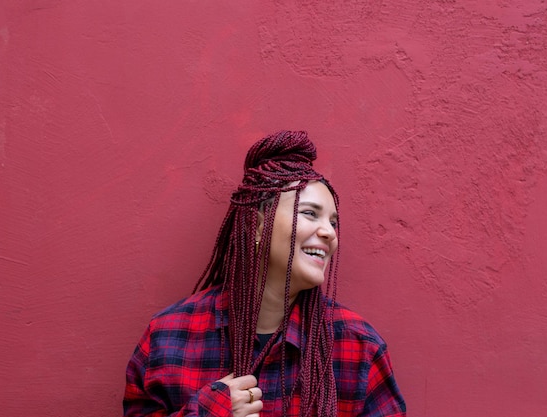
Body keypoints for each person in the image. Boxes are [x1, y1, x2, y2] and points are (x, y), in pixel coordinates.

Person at [123, 130, 407, 416]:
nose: (329, 233)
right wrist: (209, 412)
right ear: (258, 225)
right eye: (310, 213)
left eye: (333, 222)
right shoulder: (168, 340)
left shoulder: (357, 347)